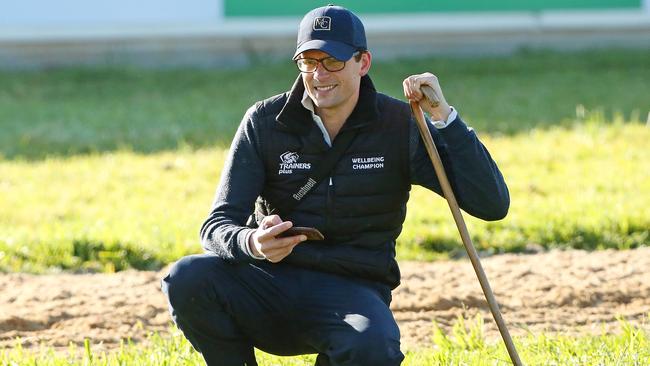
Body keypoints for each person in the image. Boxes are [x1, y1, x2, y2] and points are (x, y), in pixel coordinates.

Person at [162, 5, 509, 366]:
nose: (318, 74)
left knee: (373, 347)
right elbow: (216, 226)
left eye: (333, 61)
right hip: (267, 284)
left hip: (352, 291)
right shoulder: (264, 121)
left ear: (363, 62)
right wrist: (253, 243)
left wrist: (445, 119)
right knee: (187, 278)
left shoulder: (399, 125)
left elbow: (491, 204)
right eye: (308, 61)